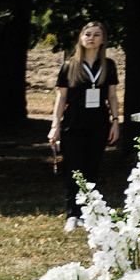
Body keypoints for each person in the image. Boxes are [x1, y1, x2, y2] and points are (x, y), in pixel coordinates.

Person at [49, 21, 120, 225]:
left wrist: (116, 121)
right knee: (73, 168)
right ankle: (72, 214)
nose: (91, 38)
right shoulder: (70, 65)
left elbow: (112, 96)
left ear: (103, 40)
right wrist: (55, 126)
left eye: (97, 34)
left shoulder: (109, 65)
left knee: (92, 168)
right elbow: (61, 98)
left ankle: (89, 213)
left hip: (98, 123)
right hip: (73, 123)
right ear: (81, 38)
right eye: (87, 34)